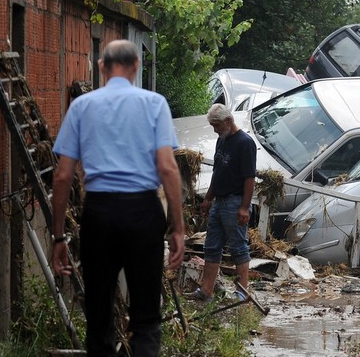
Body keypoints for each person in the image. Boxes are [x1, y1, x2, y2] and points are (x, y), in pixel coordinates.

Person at [50, 39, 185, 357]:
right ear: (136, 67)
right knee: (146, 315)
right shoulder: (154, 104)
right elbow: (167, 168)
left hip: (99, 213)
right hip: (143, 211)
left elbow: (62, 176)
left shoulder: (82, 107)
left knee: (99, 315)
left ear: (101, 68)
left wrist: (59, 236)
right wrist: (177, 227)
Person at [186, 103, 256, 302]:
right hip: (219, 201)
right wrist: (208, 198)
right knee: (211, 246)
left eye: (216, 125)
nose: (215, 129)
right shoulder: (222, 140)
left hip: (235, 202)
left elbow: (249, 178)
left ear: (228, 121)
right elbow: (217, 172)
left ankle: (242, 291)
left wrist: (244, 207)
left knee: (238, 247)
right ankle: (206, 291)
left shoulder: (245, 143)